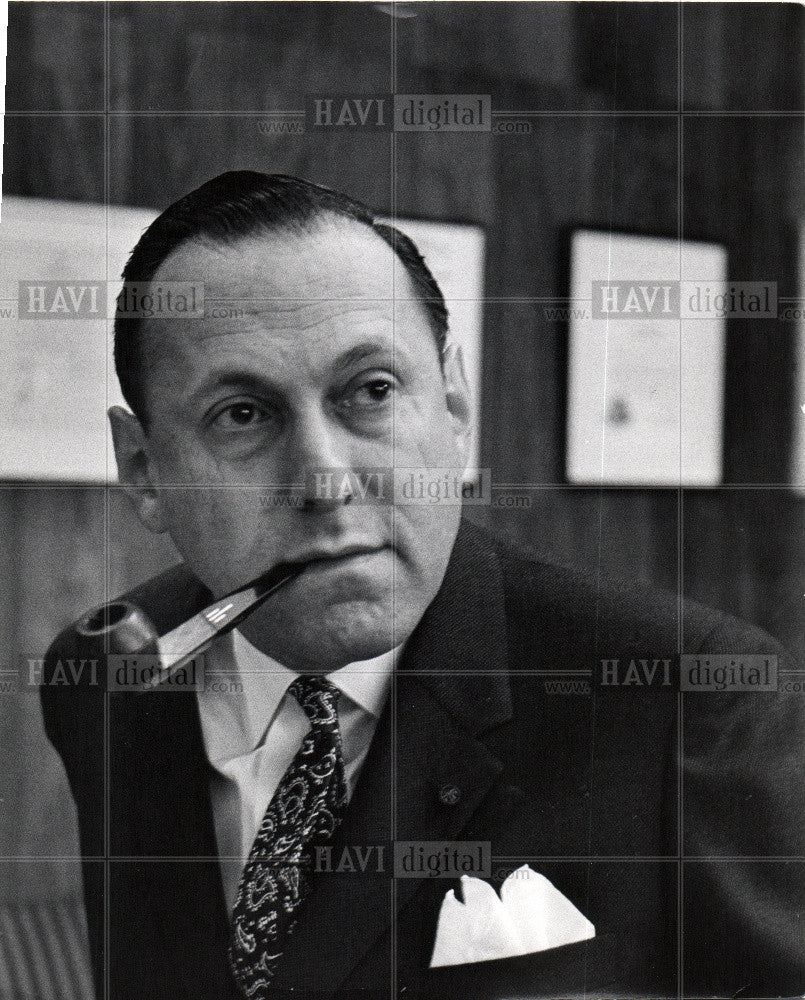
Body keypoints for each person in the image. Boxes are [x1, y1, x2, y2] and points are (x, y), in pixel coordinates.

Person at [42, 171, 803, 1000]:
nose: (325, 480)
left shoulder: (689, 700)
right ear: (144, 470)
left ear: (452, 403)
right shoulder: (108, 677)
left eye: (371, 391)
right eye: (242, 415)